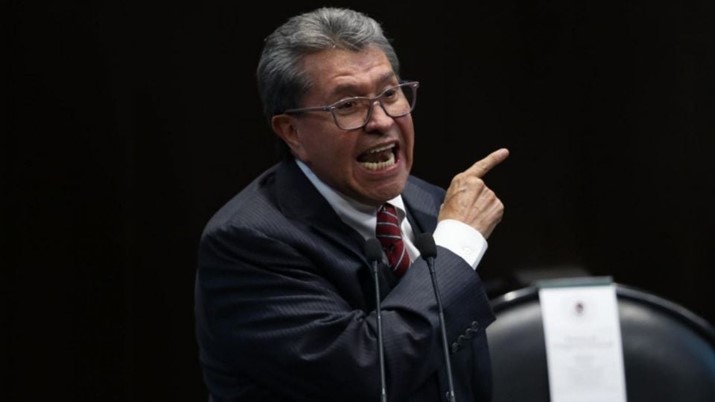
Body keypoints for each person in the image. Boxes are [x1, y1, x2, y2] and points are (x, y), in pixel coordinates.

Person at [194, 7, 509, 402]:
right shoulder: (247, 242)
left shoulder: (430, 204)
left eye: (390, 94)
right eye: (347, 105)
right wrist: (458, 243)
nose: (381, 121)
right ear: (292, 132)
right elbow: (368, 376)